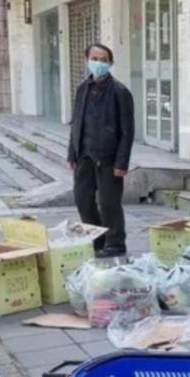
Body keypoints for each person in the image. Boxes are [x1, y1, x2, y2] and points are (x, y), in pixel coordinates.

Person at [67, 43, 135, 257]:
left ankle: (115, 243)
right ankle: (96, 239)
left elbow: (127, 131)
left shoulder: (120, 92)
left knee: (108, 203)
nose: (99, 63)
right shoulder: (82, 89)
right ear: (87, 59)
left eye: (104, 60)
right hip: (84, 155)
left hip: (108, 158)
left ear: (110, 63)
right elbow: (76, 123)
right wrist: (72, 152)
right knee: (82, 200)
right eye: (95, 58)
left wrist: (121, 163)